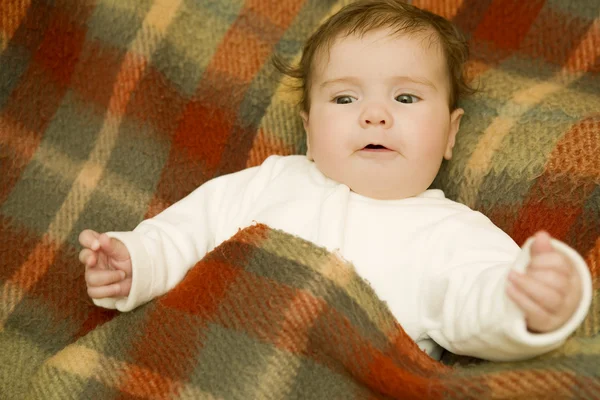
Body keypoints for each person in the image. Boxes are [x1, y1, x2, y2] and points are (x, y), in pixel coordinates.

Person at [78, 0, 592, 362]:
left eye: (406, 98)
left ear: (450, 134)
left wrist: (533, 302)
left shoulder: (451, 233)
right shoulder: (270, 182)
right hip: (207, 348)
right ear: (308, 130)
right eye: (344, 98)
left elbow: (481, 302)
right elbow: (185, 233)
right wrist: (134, 261)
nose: (374, 115)